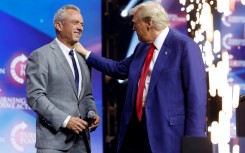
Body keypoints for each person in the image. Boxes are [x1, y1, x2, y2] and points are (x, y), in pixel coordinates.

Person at [76, 1, 207, 153]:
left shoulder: (184, 46)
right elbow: (118, 69)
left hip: (168, 136)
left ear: (149, 23)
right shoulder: (142, 48)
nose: (133, 28)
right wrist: (85, 53)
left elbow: (196, 96)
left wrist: (194, 144)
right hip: (136, 132)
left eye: (135, 23)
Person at [25, 4, 100, 153]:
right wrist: (66, 120)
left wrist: (92, 112)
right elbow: (35, 96)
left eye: (82, 24)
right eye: (75, 23)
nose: (80, 27)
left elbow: (86, 95)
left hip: (82, 143)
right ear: (59, 25)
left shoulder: (83, 58)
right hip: (53, 143)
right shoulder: (41, 55)